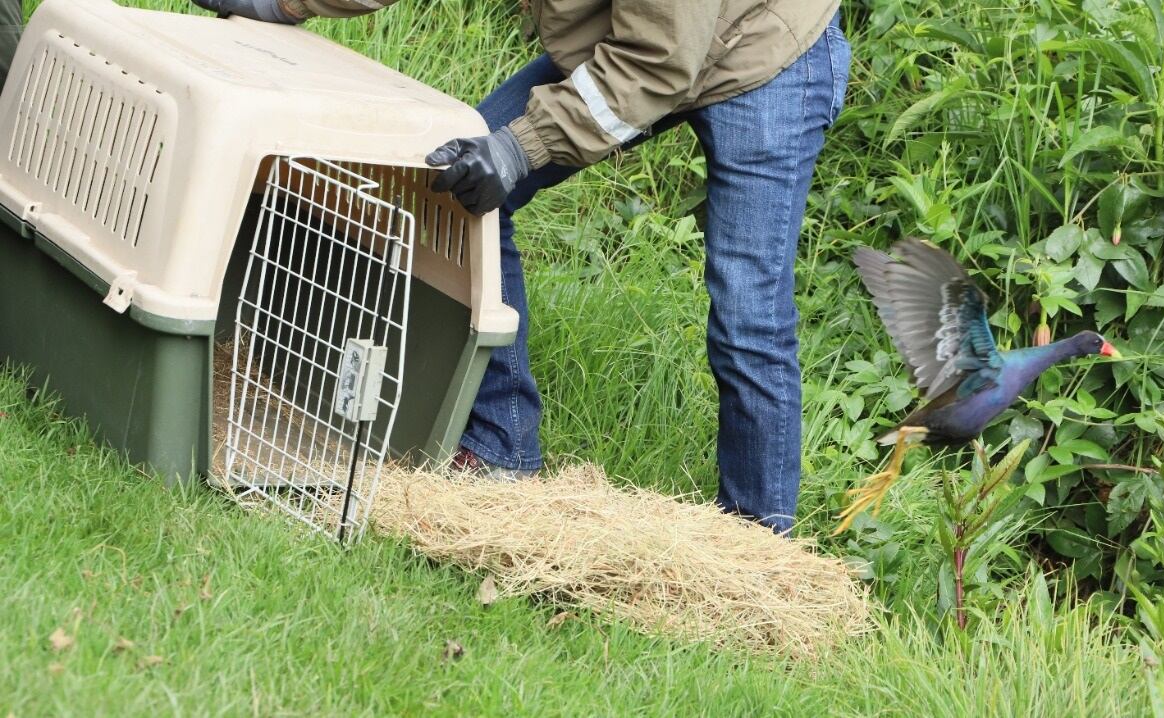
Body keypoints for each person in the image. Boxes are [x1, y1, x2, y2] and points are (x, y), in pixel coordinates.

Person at [192, 0, 851, 535]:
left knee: (746, 309)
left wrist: (523, 144)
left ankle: (758, 551)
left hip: (762, 53)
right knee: (461, 183)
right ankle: (502, 448)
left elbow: (659, 64)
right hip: (635, 42)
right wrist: (278, 3)